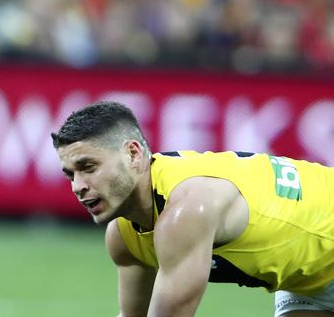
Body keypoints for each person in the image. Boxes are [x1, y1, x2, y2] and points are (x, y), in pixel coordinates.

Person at [51, 101, 334, 317]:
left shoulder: (186, 209)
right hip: (308, 279)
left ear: (133, 154)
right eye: (70, 174)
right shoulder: (124, 236)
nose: (78, 186)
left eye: (89, 168)